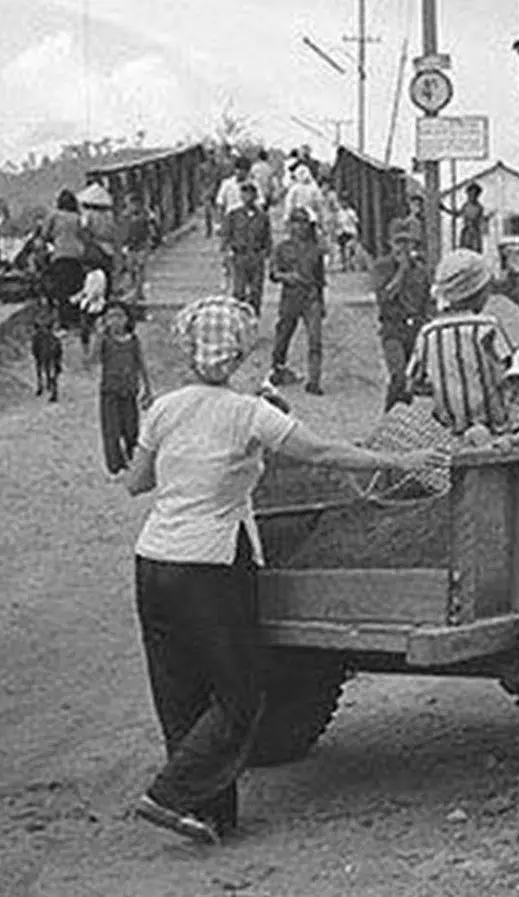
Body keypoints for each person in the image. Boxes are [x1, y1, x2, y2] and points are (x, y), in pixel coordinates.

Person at [122, 295, 444, 845]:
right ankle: (170, 794)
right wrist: (398, 461)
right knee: (241, 694)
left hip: (153, 561)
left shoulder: (164, 409)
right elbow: (322, 454)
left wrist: (191, 464)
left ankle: (208, 814)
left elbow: (136, 482)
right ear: (239, 353)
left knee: (179, 693)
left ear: (190, 351)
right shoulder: (251, 412)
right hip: (211, 566)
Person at [409, 249, 513, 436]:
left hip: (446, 435)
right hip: (493, 431)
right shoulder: (488, 327)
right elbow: (505, 376)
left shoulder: (428, 334)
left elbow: (415, 385)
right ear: (479, 291)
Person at [372, 218, 432, 410]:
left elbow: (426, 301)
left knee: (410, 382)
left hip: (415, 328)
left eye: (408, 242)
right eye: (399, 242)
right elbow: (384, 296)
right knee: (398, 375)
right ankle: (389, 417)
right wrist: (401, 271)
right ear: (391, 243)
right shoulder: (382, 267)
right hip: (393, 327)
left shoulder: (421, 270)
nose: (404, 248)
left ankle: (401, 418)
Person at [267, 207, 327, 395]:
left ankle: (314, 381)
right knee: (283, 335)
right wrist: (287, 277)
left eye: (303, 223)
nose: (300, 227)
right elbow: (273, 273)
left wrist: (322, 303)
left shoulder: (315, 249)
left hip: (311, 298)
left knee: (315, 340)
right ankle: (278, 368)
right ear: (290, 225)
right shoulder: (282, 248)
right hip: (290, 297)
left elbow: (320, 279)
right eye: (296, 222)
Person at [94, 302, 152, 474]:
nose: (116, 321)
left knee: (131, 429)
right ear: (105, 320)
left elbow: (141, 364)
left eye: (120, 316)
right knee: (111, 430)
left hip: (130, 391)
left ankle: (132, 462)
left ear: (127, 319)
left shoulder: (133, 341)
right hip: (110, 391)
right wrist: (98, 336)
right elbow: (91, 360)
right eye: (111, 317)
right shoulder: (105, 341)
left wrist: (147, 388)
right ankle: (114, 467)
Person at [42, 189, 91, 330]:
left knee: (62, 289)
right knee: (75, 287)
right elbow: (83, 236)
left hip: (60, 255)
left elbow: (45, 234)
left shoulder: (54, 216)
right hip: (77, 256)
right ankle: (76, 320)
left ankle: (64, 322)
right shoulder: (76, 217)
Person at [223, 182, 271, 314]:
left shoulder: (263, 217)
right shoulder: (234, 215)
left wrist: (266, 254)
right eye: (244, 193)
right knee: (239, 291)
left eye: (250, 193)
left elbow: (267, 238)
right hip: (239, 256)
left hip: (256, 256)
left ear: (255, 196)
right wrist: (227, 255)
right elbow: (227, 236)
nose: (247, 197)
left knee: (256, 291)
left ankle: (254, 318)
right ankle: (238, 318)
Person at [458, 183, 488, 253]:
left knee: (475, 253)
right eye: (470, 194)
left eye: (475, 194)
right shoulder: (465, 206)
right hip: (466, 233)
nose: (472, 196)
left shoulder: (479, 207)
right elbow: (458, 214)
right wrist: (445, 209)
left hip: (475, 233)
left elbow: (481, 220)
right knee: (464, 252)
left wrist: (484, 220)